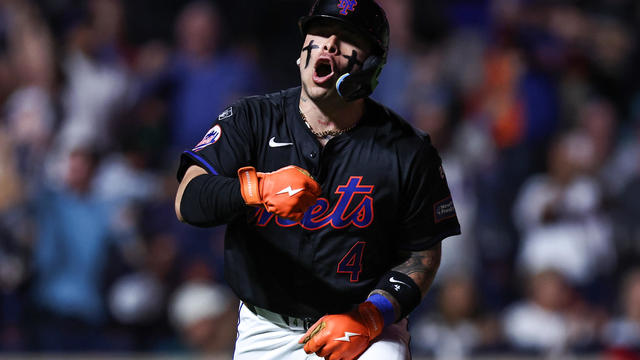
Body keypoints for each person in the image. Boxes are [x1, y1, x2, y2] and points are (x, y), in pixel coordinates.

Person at [174, 1, 461, 359]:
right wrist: (254, 189)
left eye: (347, 39)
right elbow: (188, 199)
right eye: (320, 33)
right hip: (267, 326)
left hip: (364, 328)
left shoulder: (407, 149)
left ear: (373, 65)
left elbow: (422, 253)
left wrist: (372, 317)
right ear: (301, 53)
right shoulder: (251, 119)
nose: (328, 45)